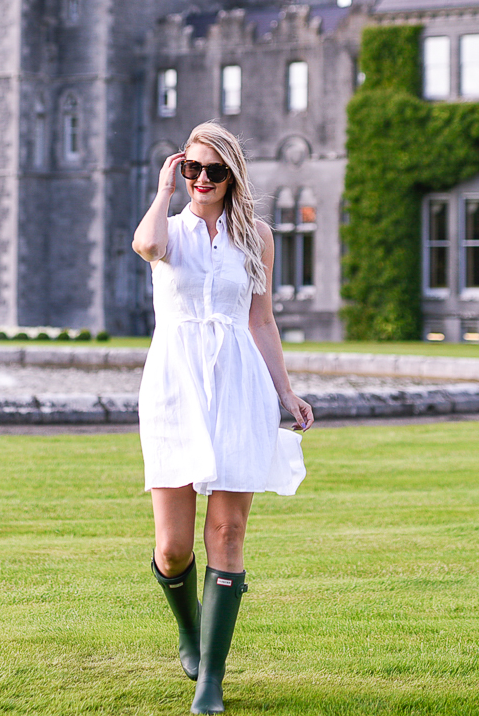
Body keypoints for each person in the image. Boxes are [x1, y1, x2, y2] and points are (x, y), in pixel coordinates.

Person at [132, 121, 315, 714]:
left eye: (214, 171)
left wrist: (286, 393)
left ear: (233, 176)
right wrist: (163, 192)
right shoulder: (171, 229)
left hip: (239, 382)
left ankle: (211, 678)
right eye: (193, 170)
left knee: (228, 534)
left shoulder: (256, 236)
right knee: (173, 549)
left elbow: (261, 320)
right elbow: (146, 246)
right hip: (174, 385)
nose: (203, 181)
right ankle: (189, 632)